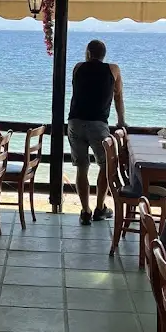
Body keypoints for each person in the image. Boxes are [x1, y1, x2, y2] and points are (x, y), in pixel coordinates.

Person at [68, 39, 127, 226]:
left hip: (75, 122)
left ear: (88, 53)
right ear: (104, 54)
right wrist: (121, 121)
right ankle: (100, 208)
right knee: (106, 165)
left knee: (81, 167)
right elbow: (118, 97)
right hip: (98, 124)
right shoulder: (113, 70)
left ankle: (85, 211)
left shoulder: (78, 68)